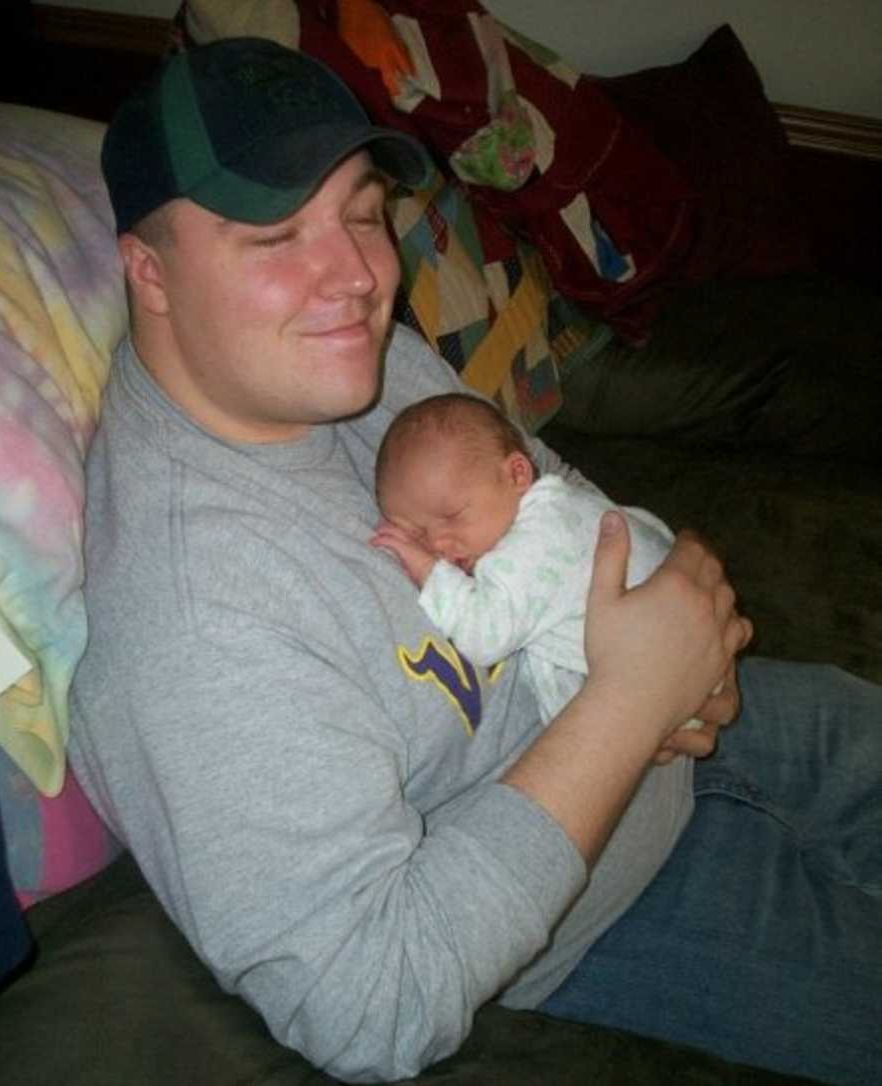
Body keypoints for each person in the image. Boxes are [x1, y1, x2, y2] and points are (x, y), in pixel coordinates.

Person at [66, 36, 882, 1086]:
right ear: (149, 270)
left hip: (669, 717)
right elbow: (367, 1004)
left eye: (362, 212)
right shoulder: (194, 618)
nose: (359, 275)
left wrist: (682, 644)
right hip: (607, 901)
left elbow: (541, 499)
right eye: (275, 235)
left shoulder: (361, 357)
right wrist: (633, 703)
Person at [372, 392, 705, 730]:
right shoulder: (558, 506)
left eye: (452, 515)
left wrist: (430, 572)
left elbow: (485, 635)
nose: (438, 545)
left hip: (679, 693)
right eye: (417, 535)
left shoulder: (535, 543)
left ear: (518, 474)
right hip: (690, 659)